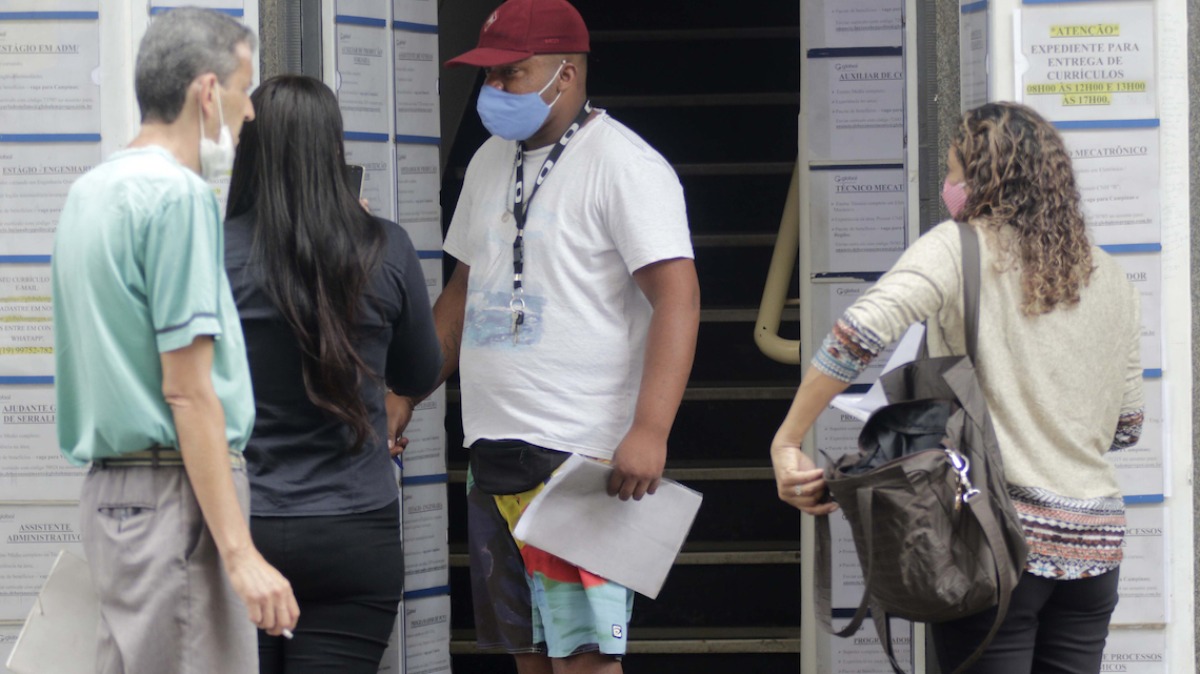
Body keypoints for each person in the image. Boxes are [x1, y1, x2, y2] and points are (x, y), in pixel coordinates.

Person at [771, 102, 1143, 674]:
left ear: (981, 180)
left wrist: (788, 439)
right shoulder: (1110, 276)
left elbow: (857, 334)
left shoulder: (959, 246)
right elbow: (1127, 427)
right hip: (1094, 550)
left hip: (990, 540)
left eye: (951, 173)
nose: (947, 187)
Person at [388, 0, 700, 671]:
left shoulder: (624, 164)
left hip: (580, 460)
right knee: (525, 657)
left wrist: (651, 428)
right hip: (493, 452)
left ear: (567, 74)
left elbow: (678, 299)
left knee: (584, 660)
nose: (495, 90)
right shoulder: (486, 165)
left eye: (513, 74)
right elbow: (463, 294)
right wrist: (405, 391)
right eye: (489, 76)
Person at [51, 9, 299, 673]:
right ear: (209, 91)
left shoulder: (89, 192)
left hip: (111, 499)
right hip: (174, 499)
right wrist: (241, 553)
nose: (249, 115)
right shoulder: (179, 199)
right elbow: (188, 393)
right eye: (245, 92)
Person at [223, 75, 442, 673]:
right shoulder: (386, 248)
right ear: (333, 148)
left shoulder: (212, 254)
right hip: (356, 533)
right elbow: (420, 370)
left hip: (246, 527)